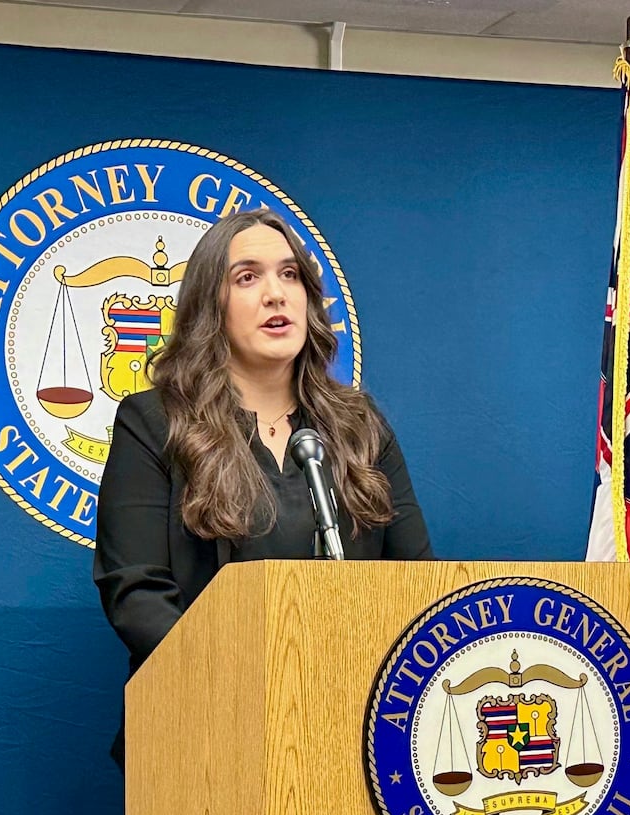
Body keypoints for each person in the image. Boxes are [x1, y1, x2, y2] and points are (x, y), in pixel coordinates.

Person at [93, 209, 435, 764]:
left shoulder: (358, 425)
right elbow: (137, 596)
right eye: (247, 277)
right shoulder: (154, 423)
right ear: (211, 306)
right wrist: (258, 693)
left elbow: (414, 585)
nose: (276, 294)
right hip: (204, 734)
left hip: (349, 736)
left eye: (290, 275)